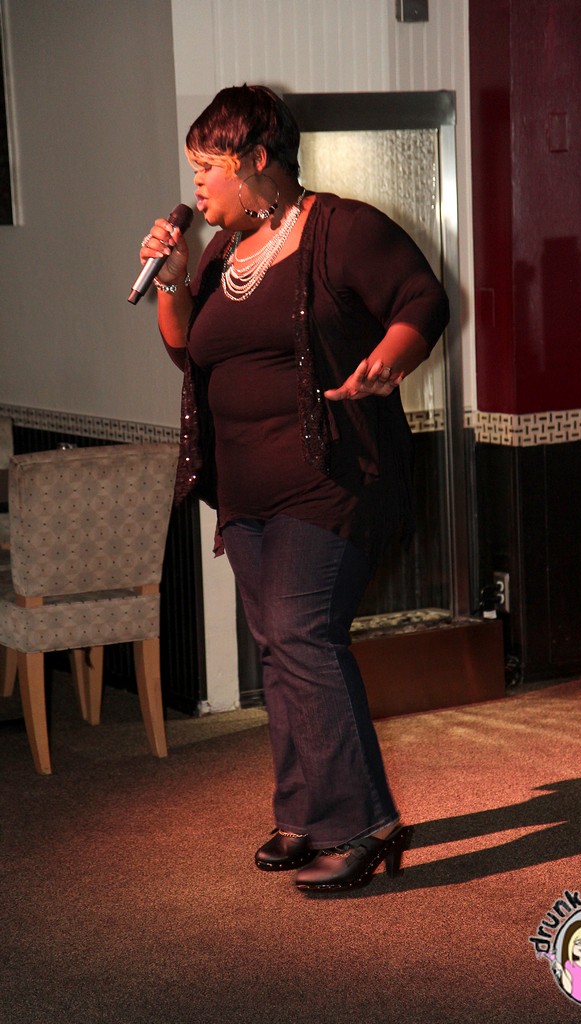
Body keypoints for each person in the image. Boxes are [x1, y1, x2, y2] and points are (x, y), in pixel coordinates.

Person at [140, 84, 450, 894]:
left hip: (332, 477)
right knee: (279, 647)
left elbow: (422, 300)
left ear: (256, 160)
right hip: (245, 488)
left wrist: (389, 358)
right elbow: (190, 353)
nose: (196, 182)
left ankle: (361, 823)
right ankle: (304, 812)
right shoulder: (222, 252)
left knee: (301, 633)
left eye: (209, 165)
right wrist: (173, 280)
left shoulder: (342, 229)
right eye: (194, 167)